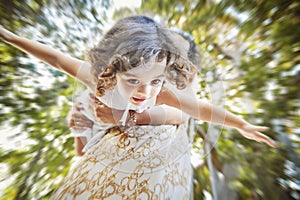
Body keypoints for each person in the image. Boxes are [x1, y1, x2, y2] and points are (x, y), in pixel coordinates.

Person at [0, 15, 276, 199]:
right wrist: (9, 37)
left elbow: (200, 109)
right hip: (104, 162)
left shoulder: (162, 92)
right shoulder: (97, 80)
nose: (145, 92)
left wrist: (241, 124)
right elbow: (57, 59)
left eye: (155, 80)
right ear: (114, 70)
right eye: (133, 80)